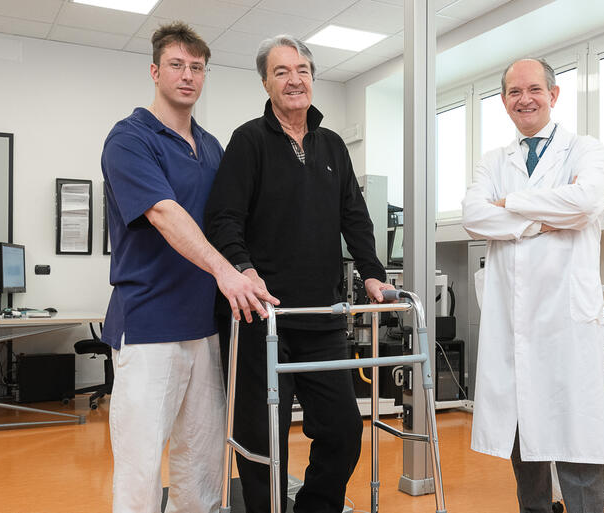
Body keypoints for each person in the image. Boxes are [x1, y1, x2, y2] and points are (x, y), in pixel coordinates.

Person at [204, 34, 394, 513]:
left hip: (321, 316)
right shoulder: (249, 141)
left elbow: (355, 217)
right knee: (263, 437)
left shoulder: (332, 145)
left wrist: (372, 273)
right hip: (260, 315)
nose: (294, 80)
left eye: (303, 70)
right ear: (265, 82)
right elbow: (223, 217)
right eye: (282, 71)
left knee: (343, 430)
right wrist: (245, 269)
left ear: (313, 78)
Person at [100, 21, 277, 513]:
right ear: (155, 71)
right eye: (176, 65)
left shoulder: (212, 146)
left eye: (196, 68)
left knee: (201, 466)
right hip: (149, 325)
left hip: (205, 327)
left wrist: (246, 268)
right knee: (140, 469)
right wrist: (226, 271)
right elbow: (164, 214)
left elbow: (227, 220)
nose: (187, 76)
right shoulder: (130, 139)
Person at [461, 57, 604, 513]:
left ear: (553, 94)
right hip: (515, 318)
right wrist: (541, 222)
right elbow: (474, 217)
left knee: (575, 432)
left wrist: (510, 204)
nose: (524, 99)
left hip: (566, 315)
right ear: (504, 100)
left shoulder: (584, 149)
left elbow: (585, 202)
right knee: (521, 427)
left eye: (533, 90)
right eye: (514, 92)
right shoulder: (493, 160)